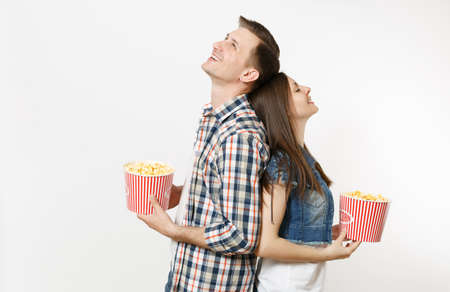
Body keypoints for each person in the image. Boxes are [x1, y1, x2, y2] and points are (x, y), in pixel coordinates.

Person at [137, 16, 280, 291]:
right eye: (225, 37)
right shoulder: (212, 118)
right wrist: (179, 193)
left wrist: (172, 230)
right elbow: (219, 193)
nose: (218, 44)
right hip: (183, 277)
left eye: (233, 45)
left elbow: (242, 236)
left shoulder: (240, 137)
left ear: (249, 74)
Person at [247, 72, 361, 292]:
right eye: (297, 89)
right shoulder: (282, 163)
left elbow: (294, 227)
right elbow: (266, 244)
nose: (307, 89)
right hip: (284, 284)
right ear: (282, 107)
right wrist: (326, 253)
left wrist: (328, 232)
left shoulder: (301, 159)